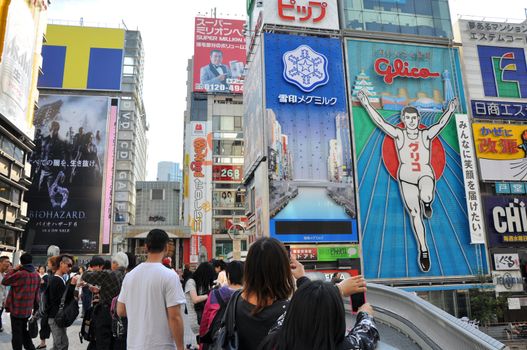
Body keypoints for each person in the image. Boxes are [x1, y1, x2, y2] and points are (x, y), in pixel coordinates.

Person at [357, 89, 458, 272]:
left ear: (418, 120)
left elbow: (441, 124)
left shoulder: (425, 134)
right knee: (414, 214)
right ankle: (424, 249)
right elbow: (380, 121)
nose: (411, 121)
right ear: (403, 120)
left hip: (425, 174)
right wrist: (365, 103)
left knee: (426, 195)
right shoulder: (399, 134)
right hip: (406, 178)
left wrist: (450, 110)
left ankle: (427, 202)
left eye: (414, 119)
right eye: (408, 119)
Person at [259, 280, 379, 350]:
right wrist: (365, 314)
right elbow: (366, 335)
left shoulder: (273, 341)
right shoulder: (345, 347)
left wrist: (337, 289)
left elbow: (289, 315)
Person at [234, 238, 308, 349]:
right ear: (282, 270)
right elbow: (322, 311)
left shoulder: (235, 300)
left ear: (248, 267)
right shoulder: (289, 312)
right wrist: (302, 279)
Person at [117, 229, 186, 349]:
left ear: (146, 247)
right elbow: (175, 316)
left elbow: (121, 310)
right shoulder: (170, 276)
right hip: (161, 345)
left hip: (134, 345)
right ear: (166, 247)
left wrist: (140, 310)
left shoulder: (130, 276)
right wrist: (181, 347)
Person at [82, 253, 128, 350]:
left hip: (106, 313)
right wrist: (100, 291)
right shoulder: (127, 275)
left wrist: (90, 269)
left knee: (102, 341)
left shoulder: (109, 274)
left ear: (115, 263)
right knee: (115, 341)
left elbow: (86, 276)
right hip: (121, 313)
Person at [199, 261, 244, 349]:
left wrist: (203, 342)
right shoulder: (249, 296)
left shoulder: (215, 294)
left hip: (217, 341)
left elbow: (205, 320)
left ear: (228, 276)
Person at [2, 253, 41, 350]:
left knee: (17, 334)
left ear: (21, 262)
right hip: (27, 310)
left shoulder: (20, 274)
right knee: (24, 331)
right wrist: (36, 308)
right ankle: (30, 348)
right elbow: (37, 294)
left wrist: (14, 269)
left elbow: (4, 281)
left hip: (16, 309)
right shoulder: (36, 275)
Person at [47, 255, 78, 350]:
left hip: (56, 317)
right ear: (61, 264)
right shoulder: (56, 280)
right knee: (62, 345)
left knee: (58, 346)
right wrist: (72, 285)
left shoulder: (59, 279)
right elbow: (62, 300)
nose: (70, 268)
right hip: (56, 317)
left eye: (71, 266)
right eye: (68, 265)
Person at [185, 261, 215, 345]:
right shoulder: (191, 282)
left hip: (201, 318)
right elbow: (195, 299)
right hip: (196, 320)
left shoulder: (199, 283)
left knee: (202, 344)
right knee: (202, 343)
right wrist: (210, 294)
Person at [37, 256, 60, 349]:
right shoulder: (50, 274)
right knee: (44, 325)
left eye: (49, 263)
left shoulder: (54, 276)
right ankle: (43, 344)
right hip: (46, 305)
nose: (47, 265)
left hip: (52, 306)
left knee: (54, 328)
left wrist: (43, 284)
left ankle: (56, 346)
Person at [0, 255, 11, 332]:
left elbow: (4, 290)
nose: (8, 264)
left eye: (8, 262)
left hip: (1, 302)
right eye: (6, 262)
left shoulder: (4, 275)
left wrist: (5, 301)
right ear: (0, 263)